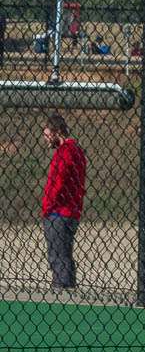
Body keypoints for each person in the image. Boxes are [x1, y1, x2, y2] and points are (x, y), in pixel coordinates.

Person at [41, 114, 87, 290]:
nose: (46, 140)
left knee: (57, 256)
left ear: (56, 132)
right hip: (70, 210)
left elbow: (57, 182)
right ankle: (66, 287)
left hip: (59, 212)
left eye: (48, 135)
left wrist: (47, 207)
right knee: (64, 255)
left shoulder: (65, 152)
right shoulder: (76, 150)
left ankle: (62, 289)